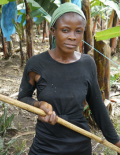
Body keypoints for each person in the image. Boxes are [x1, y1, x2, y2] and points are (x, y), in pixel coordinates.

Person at [17, 2, 120, 155]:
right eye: (65, 30)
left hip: (79, 144)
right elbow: (22, 98)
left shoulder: (87, 63)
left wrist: (116, 142)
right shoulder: (36, 64)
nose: (72, 37)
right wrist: (39, 104)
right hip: (45, 145)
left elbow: (97, 106)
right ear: (53, 31)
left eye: (78, 31)